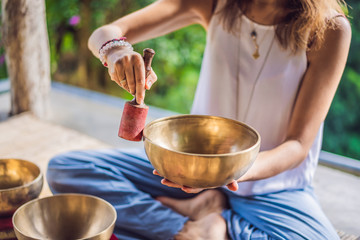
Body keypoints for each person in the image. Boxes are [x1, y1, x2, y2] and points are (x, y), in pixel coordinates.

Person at [47, 0, 351, 239]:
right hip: (189, 169)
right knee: (66, 170)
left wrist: (231, 171)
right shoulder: (215, 2)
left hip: (273, 189)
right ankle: (186, 226)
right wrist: (116, 52)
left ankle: (214, 223)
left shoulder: (330, 28)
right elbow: (104, 33)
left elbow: (298, 144)